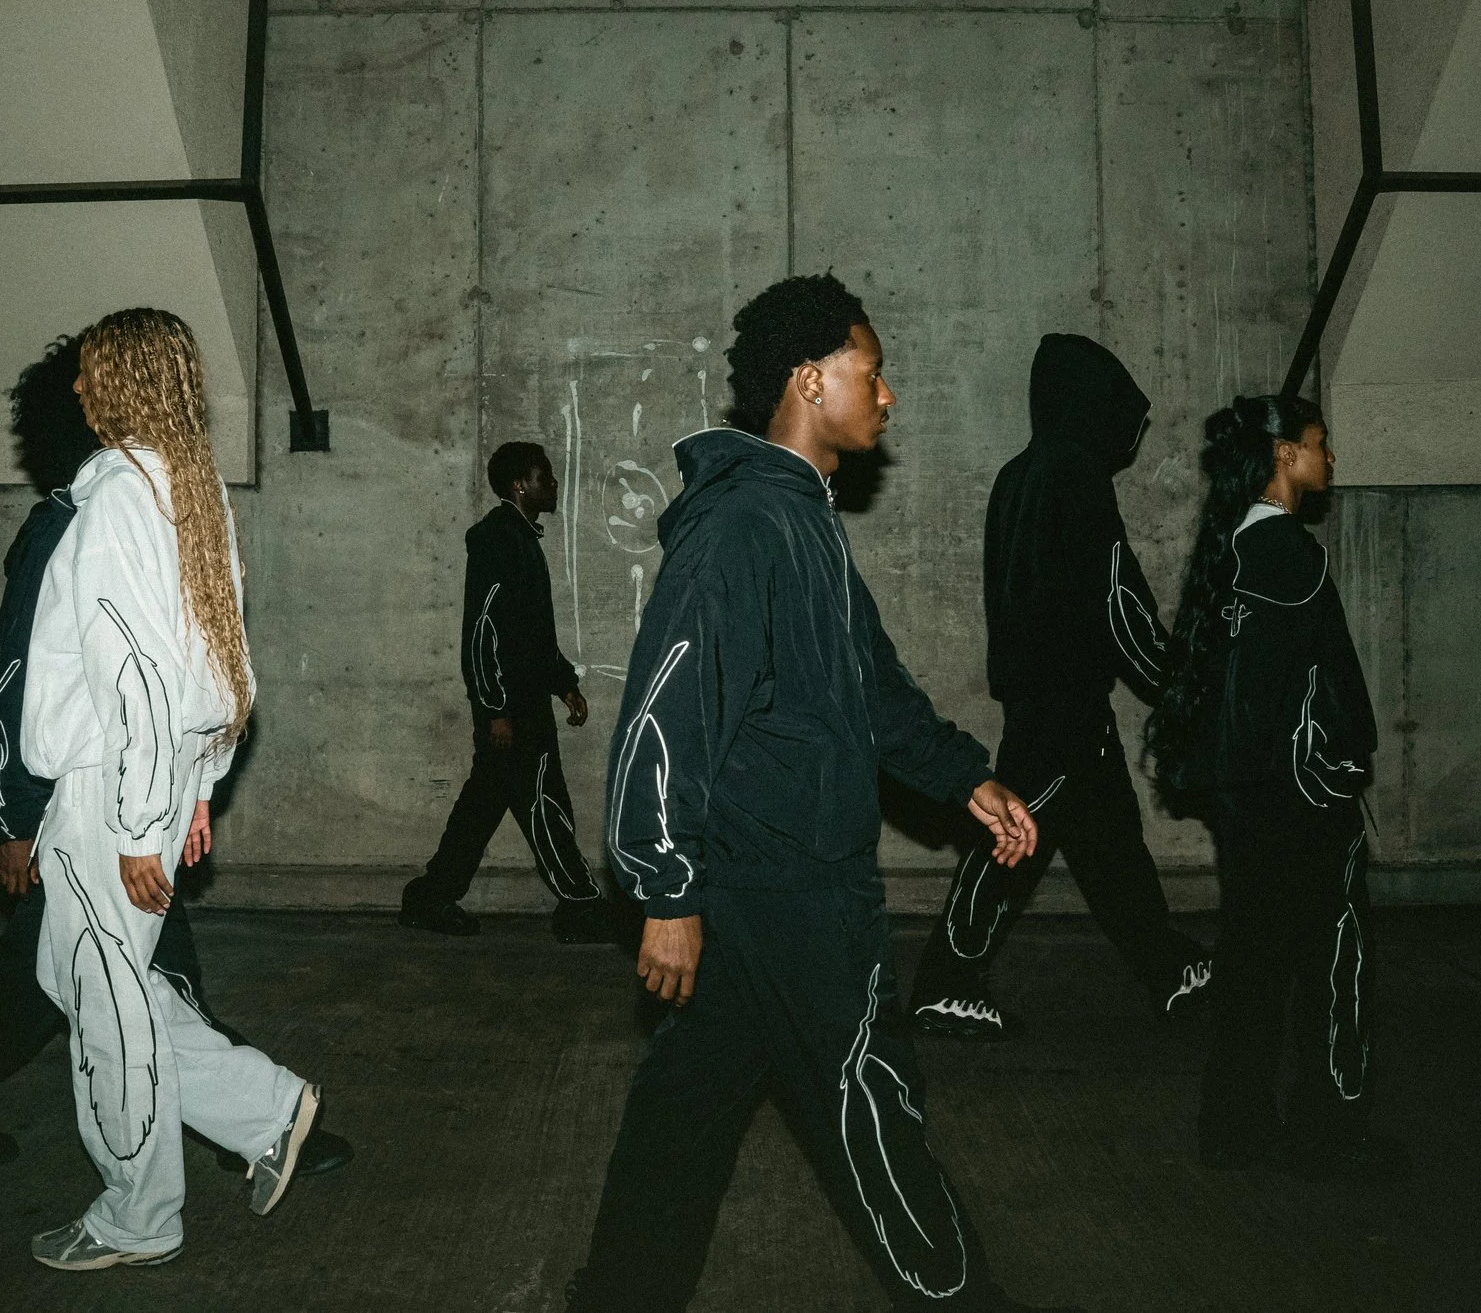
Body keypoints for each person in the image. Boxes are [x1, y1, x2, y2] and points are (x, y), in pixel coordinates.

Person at [568, 273, 1074, 1313]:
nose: (887, 397)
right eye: (871, 373)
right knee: (869, 1103)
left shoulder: (801, 521)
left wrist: (963, 775)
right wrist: (663, 888)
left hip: (764, 893)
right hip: (786, 897)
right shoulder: (745, 529)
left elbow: (869, 687)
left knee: (681, 1122)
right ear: (810, 378)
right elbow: (667, 711)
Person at [0, 337, 350, 1187]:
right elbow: (18, 683)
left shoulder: (135, 504)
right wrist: (14, 818)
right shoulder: (86, 515)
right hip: (91, 802)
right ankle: (253, 1125)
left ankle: (256, 1123)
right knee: (81, 979)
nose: (91, 393)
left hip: (120, 799)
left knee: (94, 980)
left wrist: (184, 790)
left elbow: (193, 666)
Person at [22, 308, 329, 1271]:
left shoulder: (117, 498)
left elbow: (138, 678)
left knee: (107, 1005)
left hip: (107, 784)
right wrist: (197, 786)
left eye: (90, 373)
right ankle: (268, 1107)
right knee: (93, 981)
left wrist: (134, 820)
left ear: (124, 381)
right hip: (155, 777)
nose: (76, 388)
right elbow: (224, 667)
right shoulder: (189, 490)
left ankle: (137, 1215)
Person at [911, 335, 1211, 1039]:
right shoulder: (1076, 474)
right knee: (1010, 838)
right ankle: (945, 981)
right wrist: (1180, 683)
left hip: (1049, 696)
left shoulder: (1018, 474)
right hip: (1061, 702)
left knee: (1112, 846)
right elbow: (1118, 602)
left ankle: (1166, 966)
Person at [1144, 394, 1407, 1183]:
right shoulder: (1291, 554)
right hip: (1303, 804)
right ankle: (1329, 1132)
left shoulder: (1228, 547)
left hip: (1247, 802)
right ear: (1284, 455)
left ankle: (1235, 1130)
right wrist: (1341, 769)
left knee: (1253, 963)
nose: (1332, 458)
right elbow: (1319, 690)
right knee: (1334, 964)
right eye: (1321, 443)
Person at [401, 440, 621, 944]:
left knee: (483, 806)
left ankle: (430, 898)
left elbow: (530, 633)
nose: (554, 484)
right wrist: (494, 709)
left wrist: (564, 684)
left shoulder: (520, 537)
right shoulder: (499, 538)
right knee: (544, 798)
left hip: (521, 702)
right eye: (546, 476)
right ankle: (579, 904)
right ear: (520, 485)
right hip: (512, 708)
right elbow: (481, 631)